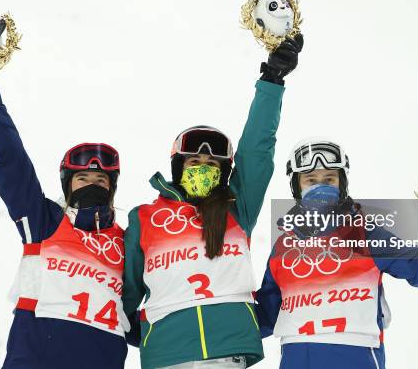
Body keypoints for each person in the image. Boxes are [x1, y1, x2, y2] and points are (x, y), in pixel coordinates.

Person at [122, 35, 304, 368]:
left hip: (227, 355)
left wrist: (271, 82)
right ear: (179, 168)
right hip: (166, 357)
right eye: (194, 163)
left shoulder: (237, 208)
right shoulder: (145, 218)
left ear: (223, 173)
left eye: (211, 166)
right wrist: (146, 332)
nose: (203, 170)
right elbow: (126, 293)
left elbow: (256, 150)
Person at [0, 56, 130, 369]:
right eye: (83, 179)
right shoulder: (44, 220)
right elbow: (12, 161)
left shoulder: (127, 243)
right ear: (68, 184)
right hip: (36, 357)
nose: (93, 184)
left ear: (111, 187)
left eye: (101, 180)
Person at [255, 138, 418, 369]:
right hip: (297, 359)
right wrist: (220, 323)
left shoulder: (365, 233)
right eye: (310, 180)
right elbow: (266, 315)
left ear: (342, 184)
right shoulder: (283, 247)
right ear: (296, 186)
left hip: (355, 357)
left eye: (329, 179)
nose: (320, 186)